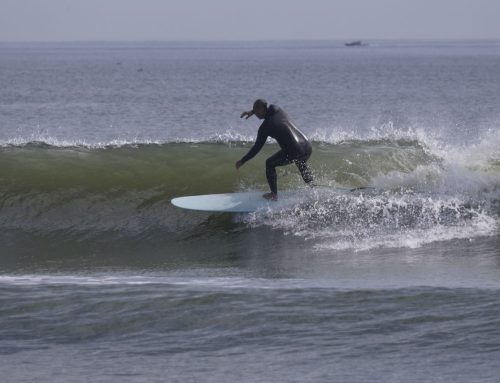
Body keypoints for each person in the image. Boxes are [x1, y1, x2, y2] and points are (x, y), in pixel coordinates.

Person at [235, 99, 314, 200]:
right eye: (256, 112)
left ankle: (273, 194)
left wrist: (243, 160)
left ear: (264, 109)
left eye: (258, 112)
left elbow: (256, 148)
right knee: (300, 162)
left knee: (269, 163)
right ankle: (313, 187)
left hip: (295, 151)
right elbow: (264, 107)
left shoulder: (265, 127)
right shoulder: (276, 109)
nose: (257, 115)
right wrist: (252, 112)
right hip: (307, 146)